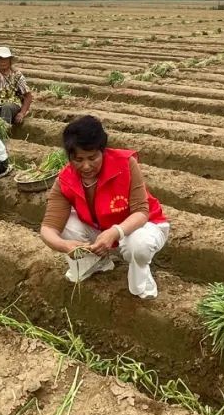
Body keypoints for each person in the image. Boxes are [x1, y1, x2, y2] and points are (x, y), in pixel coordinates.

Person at [39, 116, 169, 299]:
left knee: (139, 245)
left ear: (103, 151)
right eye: (78, 159)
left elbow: (141, 212)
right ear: (69, 157)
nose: (86, 166)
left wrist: (115, 232)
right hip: (101, 227)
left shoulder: (125, 164)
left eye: (92, 158)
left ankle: (142, 281)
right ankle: (96, 263)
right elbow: (48, 228)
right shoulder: (65, 179)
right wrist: (64, 245)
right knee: (66, 225)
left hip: (142, 225)